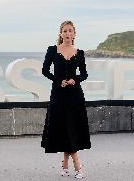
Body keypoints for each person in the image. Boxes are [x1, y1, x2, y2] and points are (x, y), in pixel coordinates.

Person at [41, 20, 91, 179]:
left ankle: (67, 164)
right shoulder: (52, 50)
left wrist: (75, 79)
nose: (68, 33)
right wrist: (58, 80)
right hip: (58, 94)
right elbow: (45, 70)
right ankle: (77, 165)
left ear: (74, 34)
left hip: (75, 95)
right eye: (65, 31)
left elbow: (84, 74)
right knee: (63, 126)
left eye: (70, 31)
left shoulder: (79, 52)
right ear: (61, 34)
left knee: (71, 127)